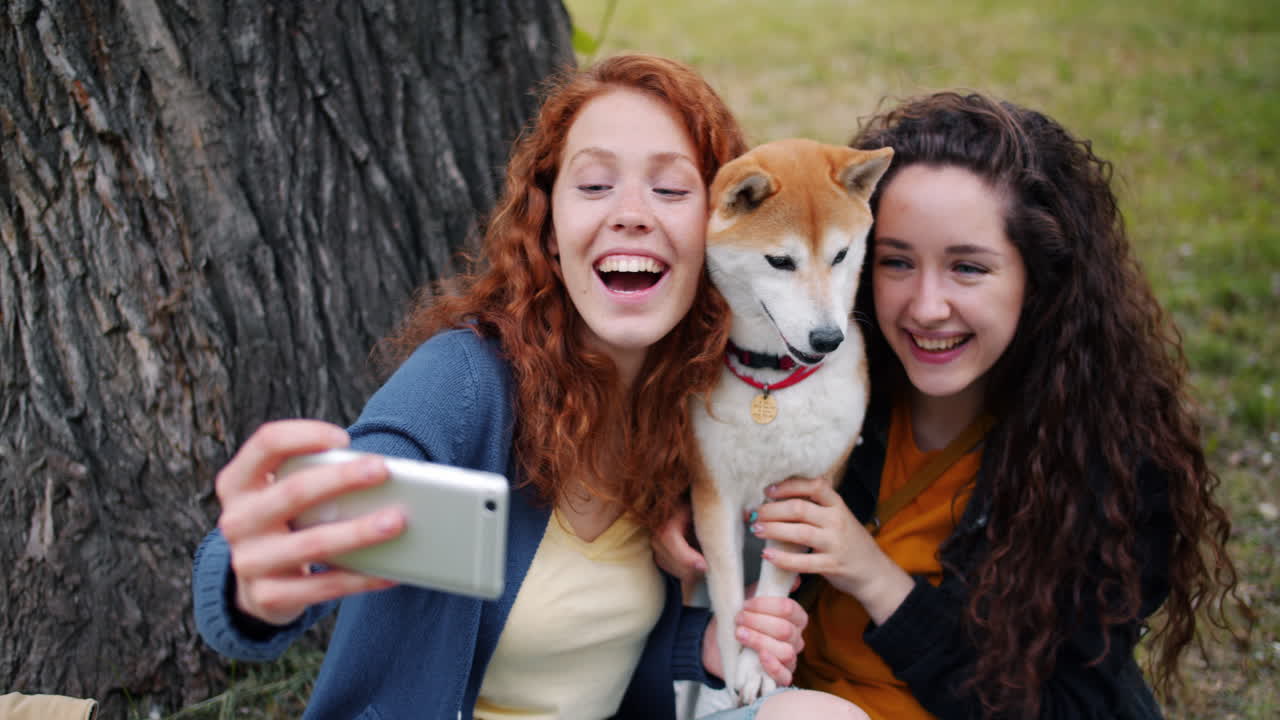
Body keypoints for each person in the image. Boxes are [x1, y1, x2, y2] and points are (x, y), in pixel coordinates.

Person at [192, 54, 866, 720]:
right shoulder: (466, 383)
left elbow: (593, 650)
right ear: (548, 224)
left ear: (724, 228)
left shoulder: (684, 405)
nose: (631, 213)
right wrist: (250, 581)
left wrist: (703, 645)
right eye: (595, 185)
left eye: (669, 189)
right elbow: (348, 497)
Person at [656, 91, 1237, 719]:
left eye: (968, 269)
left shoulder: (1103, 463)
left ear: (1038, 276)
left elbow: (1069, 705)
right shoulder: (839, 394)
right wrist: (660, 503)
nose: (927, 306)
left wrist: (876, 580)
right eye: (896, 262)